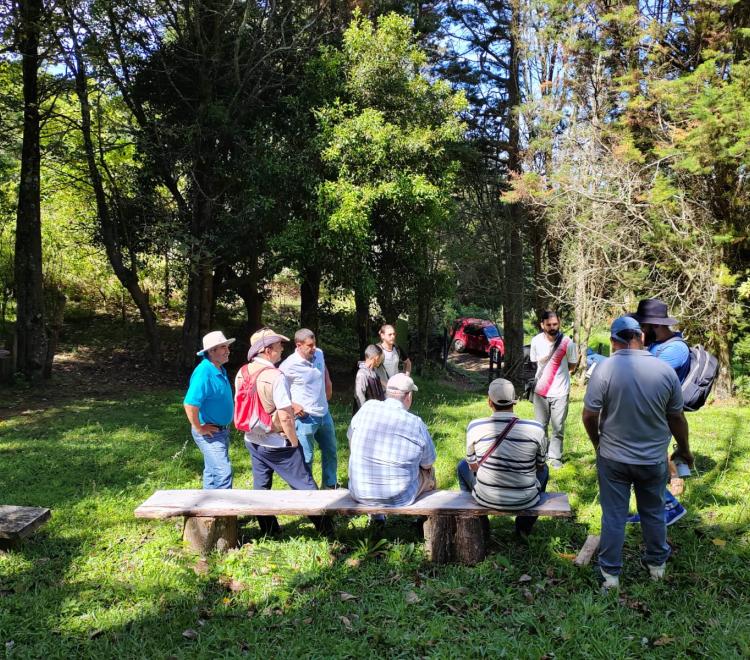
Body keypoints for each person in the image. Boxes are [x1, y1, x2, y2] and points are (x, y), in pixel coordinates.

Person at [582, 316, 693, 590]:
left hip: (613, 458)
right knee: (654, 512)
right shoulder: (664, 370)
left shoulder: (604, 369)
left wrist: (598, 443)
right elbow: (677, 418)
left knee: (614, 516)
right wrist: (685, 451)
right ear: (641, 337)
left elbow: (589, 415)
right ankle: (657, 566)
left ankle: (610, 575)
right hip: (653, 459)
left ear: (612, 341)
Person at [236, 328, 332, 536]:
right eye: (279, 346)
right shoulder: (275, 376)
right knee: (305, 484)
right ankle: (327, 530)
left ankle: (269, 530)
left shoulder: (242, 372)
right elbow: (286, 415)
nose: (282, 350)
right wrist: (293, 441)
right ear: (267, 350)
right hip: (276, 442)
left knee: (261, 487)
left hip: (252, 439)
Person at [456, 378, 549, 537]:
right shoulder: (536, 429)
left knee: (462, 465)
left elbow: (472, 467)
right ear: (515, 402)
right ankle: (523, 529)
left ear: (489, 402)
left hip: (486, 496)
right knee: (545, 470)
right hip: (525, 498)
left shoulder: (475, 426)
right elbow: (540, 466)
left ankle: (478, 521)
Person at [628, 298, 691, 525]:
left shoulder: (675, 349)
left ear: (653, 325)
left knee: (644, 466)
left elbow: (644, 374)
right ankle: (654, 511)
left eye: (641, 327)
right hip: (649, 414)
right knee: (646, 465)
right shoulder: (656, 346)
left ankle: (671, 508)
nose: (638, 331)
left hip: (661, 415)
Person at [347, 373, 437, 507]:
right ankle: (425, 519)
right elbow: (428, 463)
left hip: (359, 492)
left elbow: (350, 438)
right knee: (430, 473)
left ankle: (377, 518)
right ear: (409, 396)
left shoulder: (367, 408)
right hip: (399, 498)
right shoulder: (415, 423)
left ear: (387, 393)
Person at [279, 329, 338, 489]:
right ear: (298, 345)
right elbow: (278, 391)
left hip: (324, 414)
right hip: (305, 418)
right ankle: (305, 490)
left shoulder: (319, 353)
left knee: (331, 451)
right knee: (307, 456)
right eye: (309, 346)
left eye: (314, 345)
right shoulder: (288, 365)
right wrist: (293, 404)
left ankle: (330, 485)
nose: (313, 348)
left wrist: (328, 382)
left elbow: (323, 367)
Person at [183, 330, 236, 490]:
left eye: (227, 346)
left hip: (220, 431)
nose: (228, 350)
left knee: (213, 472)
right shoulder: (204, 372)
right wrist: (199, 427)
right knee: (223, 472)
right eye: (223, 347)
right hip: (210, 432)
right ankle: (224, 512)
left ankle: (208, 510)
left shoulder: (219, 369)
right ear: (212, 351)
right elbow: (190, 404)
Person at [530, 310, 578, 468]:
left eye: (555, 324)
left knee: (558, 427)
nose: (552, 327)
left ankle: (555, 458)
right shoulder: (536, 341)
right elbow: (533, 361)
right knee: (540, 427)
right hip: (541, 392)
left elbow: (572, 365)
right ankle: (540, 456)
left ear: (559, 323)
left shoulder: (567, 343)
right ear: (542, 325)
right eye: (549, 324)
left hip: (560, 392)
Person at [353, 344, 385, 412]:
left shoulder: (374, 372)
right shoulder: (362, 374)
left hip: (376, 412)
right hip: (366, 415)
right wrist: (365, 412)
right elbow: (359, 395)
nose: (381, 360)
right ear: (376, 358)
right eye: (381, 358)